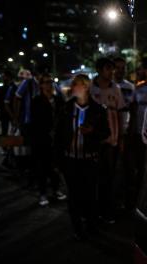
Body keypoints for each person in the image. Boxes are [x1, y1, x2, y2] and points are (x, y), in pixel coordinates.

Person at [54, 74, 110, 239]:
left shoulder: (98, 109)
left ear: (85, 87)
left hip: (89, 160)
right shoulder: (66, 108)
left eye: (76, 85)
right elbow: (57, 136)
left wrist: (92, 132)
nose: (73, 88)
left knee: (91, 195)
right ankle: (77, 228)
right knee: (73, 196)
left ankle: (92, 226)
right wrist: (57, 160)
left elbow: (106, 133)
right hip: (70, 160)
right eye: (73, 85)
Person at [91, 57, 125, 223]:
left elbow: (120, 114)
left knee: (108, 177)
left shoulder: (116, 89)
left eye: (113, 69)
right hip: (93, 142)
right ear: (99, 70)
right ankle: (92, 210)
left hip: (111, 141)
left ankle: (106, 211)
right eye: (108, 69)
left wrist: (121, 139)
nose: (112, 72)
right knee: (92, 177)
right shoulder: (90, 89)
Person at [31, 73, 66, 206]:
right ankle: (43, 193)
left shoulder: (58, 100)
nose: (48, 85)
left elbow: (63, 118)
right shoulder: (37, 101)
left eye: (50, 82)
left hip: (57, 139)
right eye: (45, 82)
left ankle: (56, 189)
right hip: (42, 139)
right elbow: (36, 121)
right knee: (42, 167)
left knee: (56, 166)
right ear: (41, 85)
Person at [127, 57, 147, 208]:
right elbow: (133, 110)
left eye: (141, 69)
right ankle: (138, 199)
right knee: (139, 166)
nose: (139, 71)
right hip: (138, 135)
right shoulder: (138, 88)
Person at [113, 57, 135, 208]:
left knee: (126, 167)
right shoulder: (109, 87)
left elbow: (133, 109)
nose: (121, 71)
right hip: (112, 133)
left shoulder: (131, 87)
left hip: (127, 133)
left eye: (123, 68)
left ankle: (125, 199)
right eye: (118, 67)